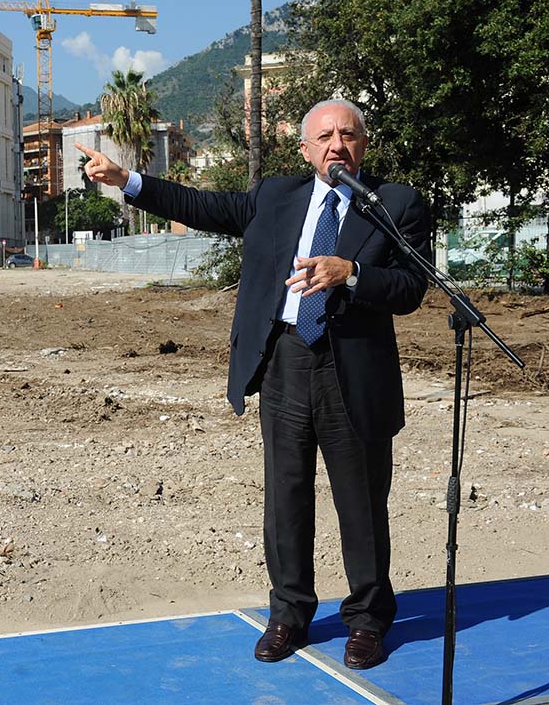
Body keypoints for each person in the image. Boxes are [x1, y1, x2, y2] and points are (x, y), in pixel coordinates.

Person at [76, 99, 430, 670]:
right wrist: (128, 181)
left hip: (353, 371)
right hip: (285, 361)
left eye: (348, 134)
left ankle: (367, 620)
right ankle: (290, 614)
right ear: (306, 147)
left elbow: (413, 286)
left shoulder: (393, 203)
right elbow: (203, 205)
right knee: (285, 498)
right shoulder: (275, 197)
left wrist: (353, 273)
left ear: (364, 144)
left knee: (361, 504)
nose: (337, 144)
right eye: (325, 136)